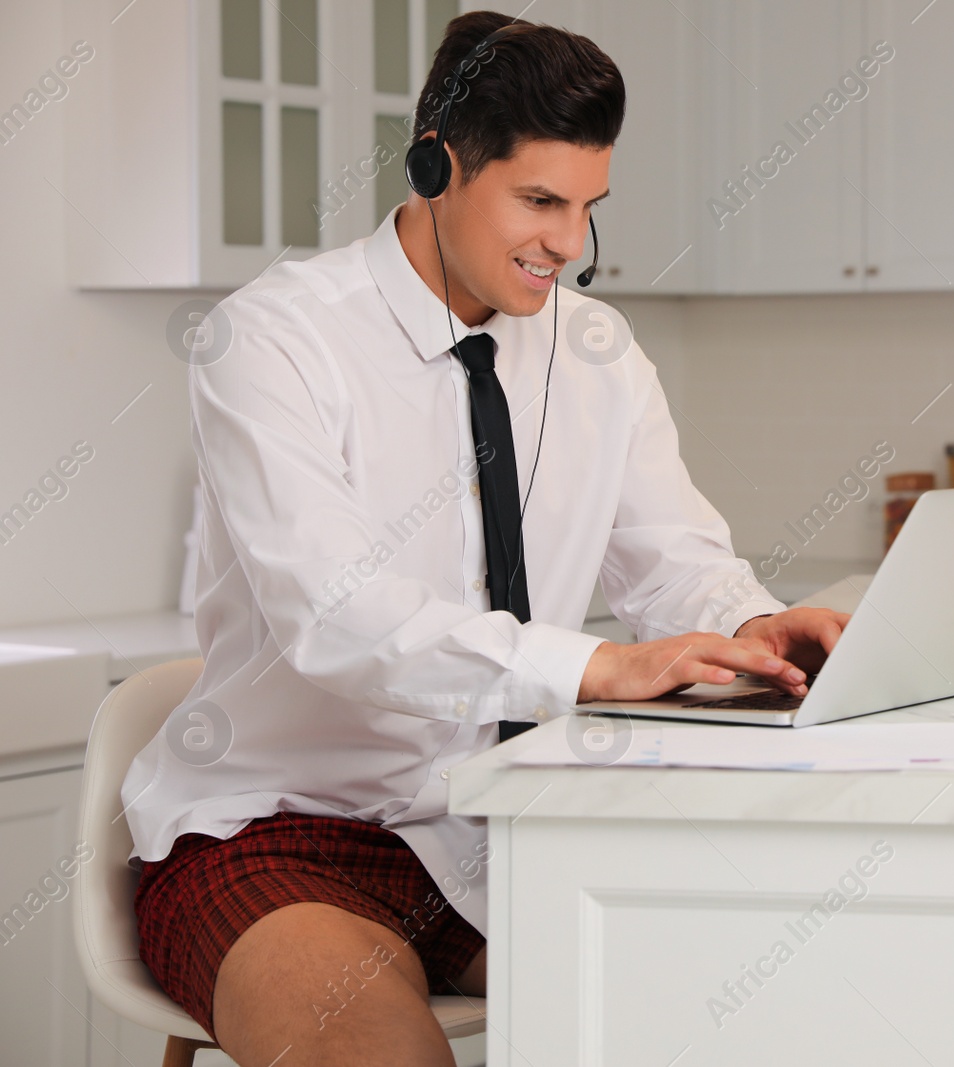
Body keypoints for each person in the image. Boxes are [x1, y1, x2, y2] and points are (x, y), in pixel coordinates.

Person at [121, 11, 848, 1065]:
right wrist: (593, 666)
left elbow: (671, 558)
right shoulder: (275, 339)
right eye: (540, 202)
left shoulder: (597, 348)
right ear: (436, 165)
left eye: (588, 205)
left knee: (739, 1008)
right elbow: (337, 614)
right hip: (276, 827)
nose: (569, 243)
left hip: (495, 828)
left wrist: (755, 626)